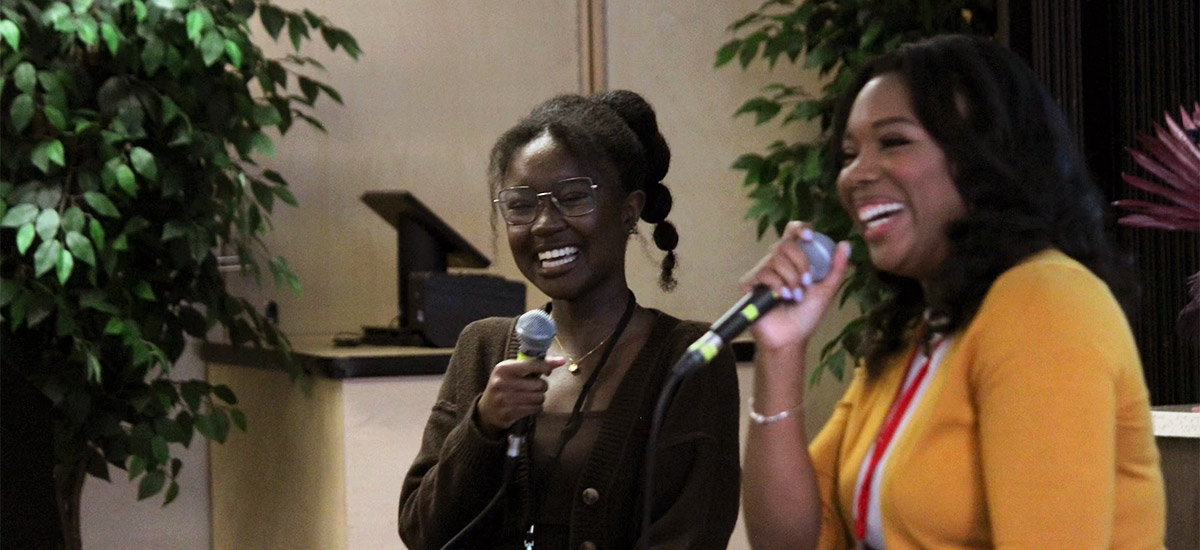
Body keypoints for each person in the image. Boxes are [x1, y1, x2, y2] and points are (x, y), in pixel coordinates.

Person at [740, 35, 1166, 549]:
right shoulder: (919, 331)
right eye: (850, 154)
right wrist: (780, 353)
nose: (857, 174)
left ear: (984, 155)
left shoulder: (1046, 302)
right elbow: (789, 543)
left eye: (893, 141)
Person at [398, 90, 741, 550]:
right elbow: (422, 533)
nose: (543, 223)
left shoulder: (691, 360)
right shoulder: (481, 349)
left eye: (573, 197)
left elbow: (691, 535)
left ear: (629, 209)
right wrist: (484, 424)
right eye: (521, 205)